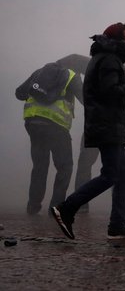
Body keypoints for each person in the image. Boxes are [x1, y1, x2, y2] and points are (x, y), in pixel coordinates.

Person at [51, 22, 125, 240]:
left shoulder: (106, 58)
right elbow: (109, 92)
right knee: (110, 174)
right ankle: (66, 208)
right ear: (118, 41)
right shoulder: (109, 60)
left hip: (110, 125)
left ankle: (117, 225)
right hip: (107, 125)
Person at [15, 54, 88, 215]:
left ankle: (33, 206)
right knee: (64, 167)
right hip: (56, 126)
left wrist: (42, 92)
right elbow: (86, 100)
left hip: (33, 123)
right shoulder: (71, 76)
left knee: (40, 166)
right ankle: (55, 208)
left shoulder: (40, 72)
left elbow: (19, 93)